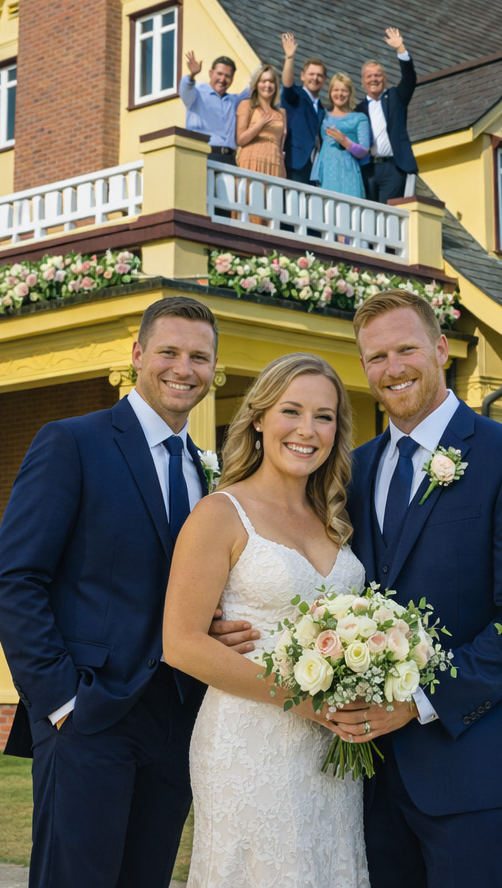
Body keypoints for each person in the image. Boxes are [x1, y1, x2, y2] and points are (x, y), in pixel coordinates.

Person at [333, 289, 502, 888]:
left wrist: (417, 702)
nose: (393, 368)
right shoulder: (351, 471)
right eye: (376, 357)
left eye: (406, 348)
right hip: (368, 775)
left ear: (440, 348)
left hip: (472, 764)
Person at [0, 297, 219, 888]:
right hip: (88, 714)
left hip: (178, 718)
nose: (183, 368)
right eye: (168, 351)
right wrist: (61, 701)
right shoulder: (72, 442)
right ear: (138, 354)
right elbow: (14, 580)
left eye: (199, 356)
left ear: (214, 369)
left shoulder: (207, 471)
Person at [164, 353, 369, 886]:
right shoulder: (219, 514)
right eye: (291, 411)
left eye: (324, 417)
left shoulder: (336, 518)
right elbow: (181, 644)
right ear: (258, 418)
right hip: (248, 741)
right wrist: (306, 701)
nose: (308, 430)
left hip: (332, 749)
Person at [355, 27, 418, 203]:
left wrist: (400, 48)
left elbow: (409, 79)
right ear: (362, 81)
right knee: (366, 213)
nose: (374, 79)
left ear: (385, 78)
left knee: (387, 214)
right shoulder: (357, 110)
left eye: (378, 75)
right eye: (369, 76)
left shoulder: (396, 98)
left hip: (393, 167)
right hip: (367, 168)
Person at [181, 52, 249, 162]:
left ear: (232, 79)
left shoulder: (234, 101)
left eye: (227, 76)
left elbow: (254, 87)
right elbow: (185, 89)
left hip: (229, 158)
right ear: (211, 73)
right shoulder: (197, 94)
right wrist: (192, 75)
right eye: (219, 74)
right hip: (203, 154)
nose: (222, 79)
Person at [280, 33, 328, 184]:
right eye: (311, 74)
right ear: (302, 76)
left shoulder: (321, 108)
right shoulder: (295, 95)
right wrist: (289, 58)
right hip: (293, 162)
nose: (315, 78)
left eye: (319, 75)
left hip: (312, 167)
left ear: (324, 81)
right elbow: (287, 84)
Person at [317, 74, 372, 198]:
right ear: (330, 92)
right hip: (326, 171)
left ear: (350, 93)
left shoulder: (359, 118)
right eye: (336, 90)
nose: (339, 94)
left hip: (349, 171)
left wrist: (345, 141)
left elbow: (364, 150)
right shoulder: (322, 116)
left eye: (344, 90)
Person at [235, 64, 287, 177]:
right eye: (263, 81)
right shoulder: (247, 105)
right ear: (256, 84)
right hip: (251, 160)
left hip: (274, 163)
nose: (267, 85)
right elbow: (240, 140)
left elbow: (280, 147)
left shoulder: (281, 113)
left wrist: (283, 172)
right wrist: (260, 124)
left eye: (271, 81)